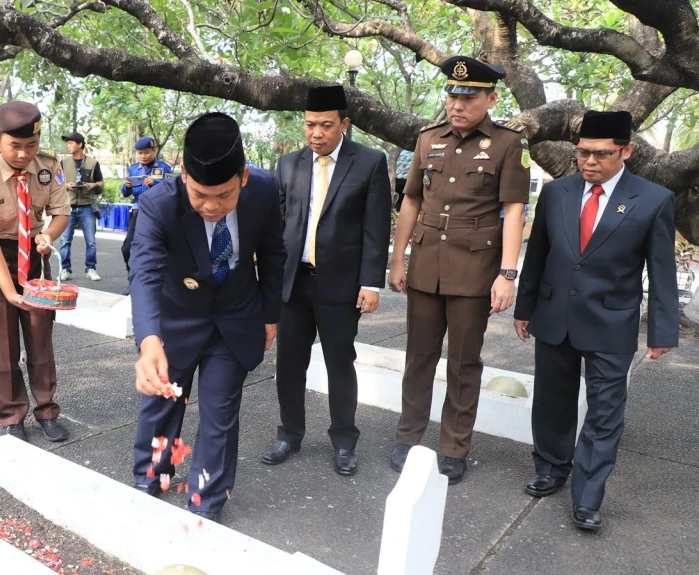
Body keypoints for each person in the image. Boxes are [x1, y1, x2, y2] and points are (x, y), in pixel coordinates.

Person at [513, 110, 678, 531]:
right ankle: (551, 466)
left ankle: (587, 496)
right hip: (554, 317)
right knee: (552, 400)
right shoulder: (558, 193)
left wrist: (661, 332)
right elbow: (538, 256)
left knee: (605, 413)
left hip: (611, 322)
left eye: (601, 155)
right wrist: (524, 308)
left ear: (626, 151)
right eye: (583, 153)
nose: (589, 162)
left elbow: (662, 271)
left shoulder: (653, 199)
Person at [130, 112, 285, 523]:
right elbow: (143, 273)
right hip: (176, 319)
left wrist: (271, 315)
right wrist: (149, 342)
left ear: (244, 177)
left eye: (224, 196)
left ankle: (206, 500)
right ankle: (153, 475)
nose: (212, 207)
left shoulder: (266, 191)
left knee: (219, 411)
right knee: (163, 404)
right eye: (200, 195)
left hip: (235, 317)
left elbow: (273, 254)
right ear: (183, 175)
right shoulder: (157, 204)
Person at [387, 56, 530, 484]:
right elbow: (410, 199)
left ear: (490, 98)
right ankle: (409, 437)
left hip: (474, 267)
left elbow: (514, 209)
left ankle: (454, 447)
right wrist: (399, 259)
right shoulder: (427, 138)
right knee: (418, 358)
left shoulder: (507, 145)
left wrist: (507, 274)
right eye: (452, 95)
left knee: (464, 363)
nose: (457, 104)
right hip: (426, 263)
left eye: (468, 97)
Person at [261, 85, 392, 475]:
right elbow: (276, 227)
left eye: (325, 125)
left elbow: (375, 229)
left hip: (340, 286)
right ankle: (290, 434)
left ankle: (344, 441)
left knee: (340, 363)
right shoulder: (288, 165)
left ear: (344, 125)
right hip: (293, 284)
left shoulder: (368, 162)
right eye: (310, 125)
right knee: (289, 364)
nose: (316, 133)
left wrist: (372, 283)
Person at [0, 101, 72, 443]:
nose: (25, 154)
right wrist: (9, 292)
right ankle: (12, 416)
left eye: (32, 145)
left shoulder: (49, 165)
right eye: (15, 146)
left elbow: (61, 213)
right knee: (0, 342)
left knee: (40, 336)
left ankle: (46, 410)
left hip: (35, 254)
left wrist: (47, 236)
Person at [121, 137, 173, 278]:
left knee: (156, 249)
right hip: (138, 211)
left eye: (146, 152)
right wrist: (126, 187)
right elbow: (125, 194)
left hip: (158, 214)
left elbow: (172, 192)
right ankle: (133, 278)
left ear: (154, 151)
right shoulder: (133, 169)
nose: (143, 156)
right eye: (140, 153)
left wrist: (155, 183)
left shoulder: (164, 168)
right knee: (127, 249)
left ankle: (158, 281)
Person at [57, 131, 105, 281]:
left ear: (80, 144)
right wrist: (66, 185)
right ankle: (65, 269)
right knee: (65, 240)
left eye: (71, 143)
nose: (68, 145)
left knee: (91, 241)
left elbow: (101, 183)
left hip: (87, 206)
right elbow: (55, 182)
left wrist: (92, 185)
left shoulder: (93, 162)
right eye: (68, 143)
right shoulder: (63, 162)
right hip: (68, 206)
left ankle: (91, 269)